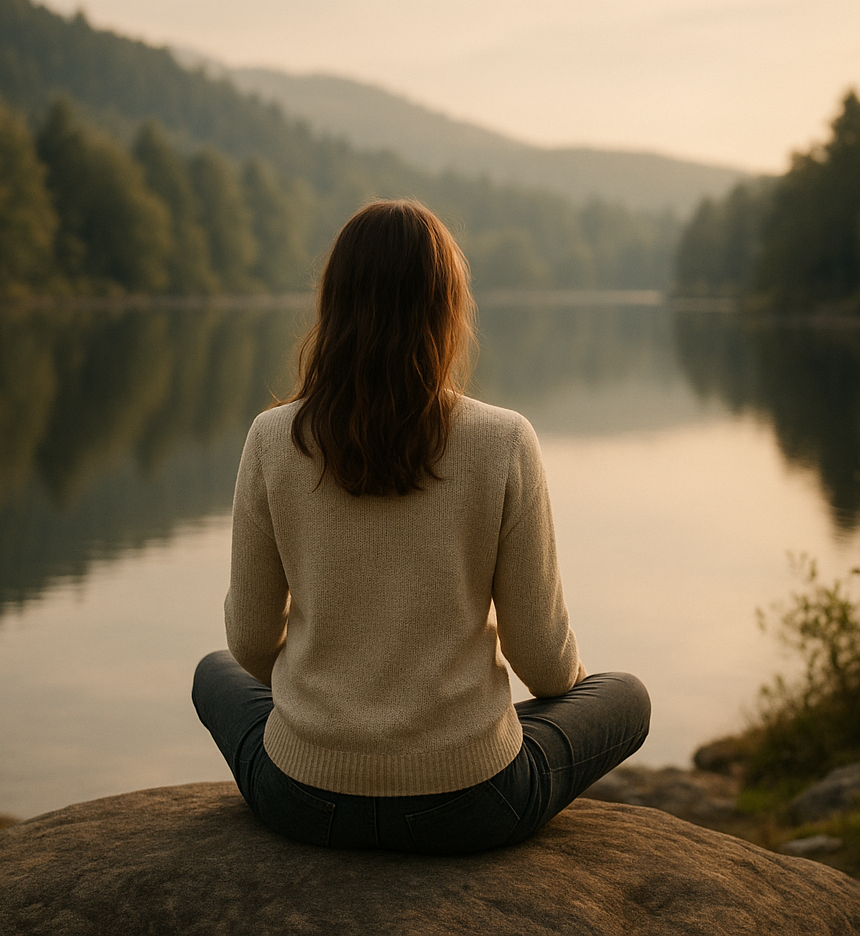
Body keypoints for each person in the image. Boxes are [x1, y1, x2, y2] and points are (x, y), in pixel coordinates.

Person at [193, 199, 650, 854]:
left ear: (334, 306)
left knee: (213, 671)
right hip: (470, 803)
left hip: (303, 798)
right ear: (446, 312)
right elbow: (545, 665)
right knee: (625, 696)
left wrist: (333, 708)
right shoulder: (504, 440)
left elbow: (248, 642)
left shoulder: (272, 438)